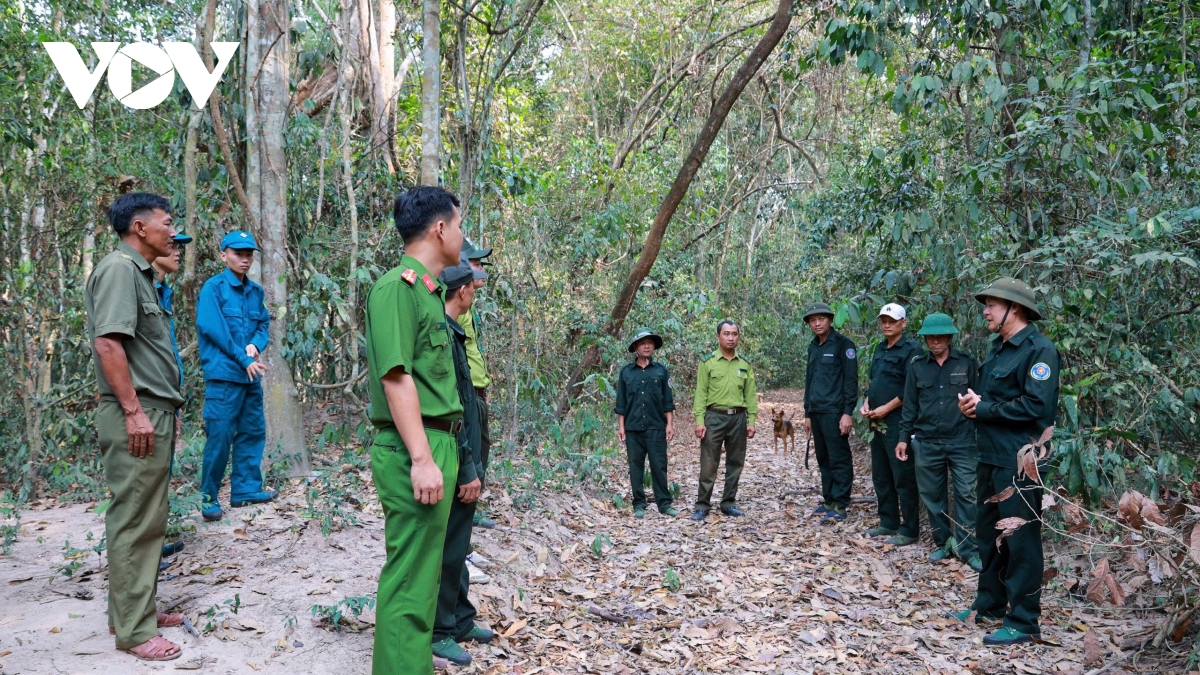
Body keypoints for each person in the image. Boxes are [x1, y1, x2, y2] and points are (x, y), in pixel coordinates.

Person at [365, 186, 464, 675]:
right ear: (440, 228)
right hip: (414, 447)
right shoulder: (396, 289)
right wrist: (422, 458)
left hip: (435, 439)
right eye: (460, 225)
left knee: (423, 578)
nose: (463, 237)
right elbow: (396, 376)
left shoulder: (428, 292)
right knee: (409, 579)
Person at [85, 192, 186, 661]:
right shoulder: (120, 270)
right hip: (137, 412)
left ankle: (132, 609)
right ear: (141, 228)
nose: (173, 230)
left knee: (149, 517)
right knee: (136, 520)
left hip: (152, 410)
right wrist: (133, 411)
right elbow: (108, 345)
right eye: (167, 222)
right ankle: (134, 630)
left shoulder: (143, 275)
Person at [953, 277, 1060, 646]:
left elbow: (1036, 405)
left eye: (992, 305)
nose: (985, 310)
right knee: (990, 535)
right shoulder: (999, 349)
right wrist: (974, 406)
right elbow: (994, 401)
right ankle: (990, 605)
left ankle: (1024, 622)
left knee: (1021, 541)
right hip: (991, 456)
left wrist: (985, 408)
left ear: (1014, 308)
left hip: (1022, 462)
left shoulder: (1039, 350)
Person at [431, 258, 495, 666]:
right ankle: (438, 630)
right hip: (455, 456)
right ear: (464, 292)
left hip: (464, 451)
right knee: (448, 544)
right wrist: (467, 466)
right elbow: (450, 410)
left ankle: (459, 618)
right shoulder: (442, 333)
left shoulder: (455, 333)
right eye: (474, 286)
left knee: (460, 541)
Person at [195, 231, 275, 522]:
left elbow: (263, 324)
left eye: (249, 254)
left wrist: (256, 343)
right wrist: (243, 358)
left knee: (253, 432)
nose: (244, 259)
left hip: (251, 377)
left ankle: (245, 489)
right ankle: (208, 497)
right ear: (223, 255)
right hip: (225, 377)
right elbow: (213, 330)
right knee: (220, 437)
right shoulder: (212, 289)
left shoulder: (256, 292)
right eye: (238, 253)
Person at [895, 313, 982, 572]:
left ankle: (968, 548)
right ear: (925, 338)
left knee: (967, 493)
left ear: (950, 336)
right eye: (931, 337)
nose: (936, 341)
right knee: (932, 496)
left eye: (941, 336)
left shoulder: (966, 362)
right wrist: (903, 438)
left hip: (962, 440)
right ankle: (943, 543)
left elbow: (980, 401)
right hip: (927, 441)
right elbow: (909, 406)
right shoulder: (917, 365)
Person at [861, 304, 921, 545]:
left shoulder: (912, 349)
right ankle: (888, 522)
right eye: (884, 320)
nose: (887, 325)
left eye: (892, 321)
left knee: (902, 476)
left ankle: (909, 530)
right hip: (876, 422)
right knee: (881, 474)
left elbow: (911, 387)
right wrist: (866, 403)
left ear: (903, 323)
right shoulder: (880, 348)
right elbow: (874, 380)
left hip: (898, 421)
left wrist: (887, 407)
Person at [153, 230, 194, 563]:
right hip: (147, 402)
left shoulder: (162, 290)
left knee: (161, 475)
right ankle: (142, 548)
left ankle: (152, 542)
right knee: (145, 483)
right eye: (172, 245)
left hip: (166, 398)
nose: (177, 251)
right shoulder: (142, 287)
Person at [691, 320, 757, 521]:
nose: (731, 338)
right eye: (726, 334)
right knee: (709, 463)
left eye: (734, 334)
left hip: (738, 418)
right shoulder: (708, 362)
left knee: (735, 462)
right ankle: (703, 505)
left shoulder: (744, 364)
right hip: (714, 417)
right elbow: (700, 393)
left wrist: (751, 420)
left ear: (738, 337)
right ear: (718, 336)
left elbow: (750, 394)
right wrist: (699, 421)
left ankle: (728, 503)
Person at [802, 302, 858, 524]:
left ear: (830, 320)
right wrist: (807, 413)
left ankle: (841, 504)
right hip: (816, 412)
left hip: (835, 412)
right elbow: (810, 381)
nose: (817, 323)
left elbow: (850, 381)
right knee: (823, 458)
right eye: (813, 320)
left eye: (821, 318)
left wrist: (847, 412)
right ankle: (829, 500)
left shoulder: (844, 345)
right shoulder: (813, 346)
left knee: (839, 458)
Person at [615, 329, 678, 519]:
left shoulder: (661, 371)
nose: (647, 346)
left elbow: (668, 400)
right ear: (635, 347)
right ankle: (639, 503)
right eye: (642, 343)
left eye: (650, 343)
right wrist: (621, 427)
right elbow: (621, 402)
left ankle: (664, 504)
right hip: (633, 428)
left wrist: (669, 424)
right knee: (636, 466)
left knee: (659, 465)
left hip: (656, 427)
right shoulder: (626, 372)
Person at [459, 237, 496, 532]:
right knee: (468, 460)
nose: (481, 268)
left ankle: (470, 514)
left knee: (479, 457)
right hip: (467, 395)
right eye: (475, 262)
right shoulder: (454, 304)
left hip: (478, 394)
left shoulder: (469, 305)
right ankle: (462, 523)